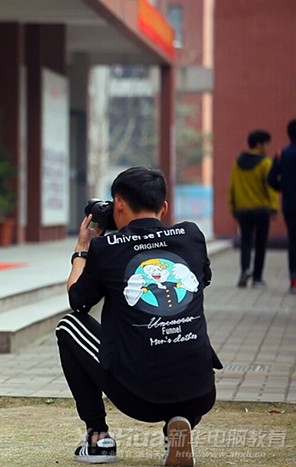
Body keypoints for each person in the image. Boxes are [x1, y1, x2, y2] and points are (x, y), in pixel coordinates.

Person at [57, 167, 222, 466]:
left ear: (118, 203)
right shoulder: (191, 235)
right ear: (164, 207)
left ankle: (98, 438)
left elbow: (77, 301)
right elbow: (203, 279)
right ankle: (177, 427)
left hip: (138, 397)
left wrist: (82, 249)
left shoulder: (105, 248)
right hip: (199, 391)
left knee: (68, 325)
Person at [228, 129, 279, 288]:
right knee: (260, 244)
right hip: (261, 209)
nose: (267, 147)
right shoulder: (265, 163)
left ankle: (245, 270)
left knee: (246, 242)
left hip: (243, 210)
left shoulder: (237, 163)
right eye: (266, 144)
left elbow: (232, 187)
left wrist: (233, 207)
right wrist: (274, 207)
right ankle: (257, 278)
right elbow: (270, 187)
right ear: (258, 144)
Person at [266, 119, 296, 293]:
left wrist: (283, 188)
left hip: (290, 205)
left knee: (293, 241)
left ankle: (294, 280)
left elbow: (271, 179)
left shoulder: (281, 155)